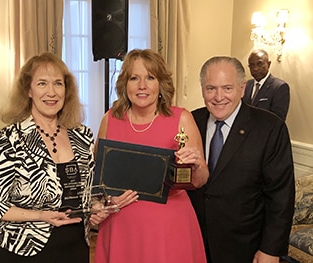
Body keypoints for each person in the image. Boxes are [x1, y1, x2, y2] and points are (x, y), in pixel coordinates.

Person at [0, 52, 105, 263]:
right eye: (42, 83)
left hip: (74, 249)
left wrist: (96, 208)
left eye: (58, 83)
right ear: (28, 90)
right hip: (22, 250)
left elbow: (89, 192)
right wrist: (42, 216)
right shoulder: (9, 139)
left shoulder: (83, 136)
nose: (51, 92)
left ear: (67, 89)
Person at [94, 49, 209, 263]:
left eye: (150, 77)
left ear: (161, 84)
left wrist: (197, 165)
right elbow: (97, 178)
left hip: (168, 227)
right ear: (124, 84)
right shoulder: (110, 119)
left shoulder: (181, 118)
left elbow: (200, 180)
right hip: (121, 226)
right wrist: (104, 201)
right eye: (134, 78)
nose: (142, 86)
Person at [188, 56, 295, 263]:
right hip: (194, 242)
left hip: (244, 248)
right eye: (211, 88)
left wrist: (270, 250)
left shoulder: (270, 128)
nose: (219, 97)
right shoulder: (191, 121)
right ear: (202, 89)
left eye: (227, 88)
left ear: (242, 88)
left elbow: (281, 195)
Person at [243, 49, 290, 121]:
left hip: (267, 131)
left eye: (260, 64)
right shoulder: (246, 85)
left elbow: (277, 120)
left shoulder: (279, 87)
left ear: (268, 64)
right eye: (252, 65)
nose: (255, 69)